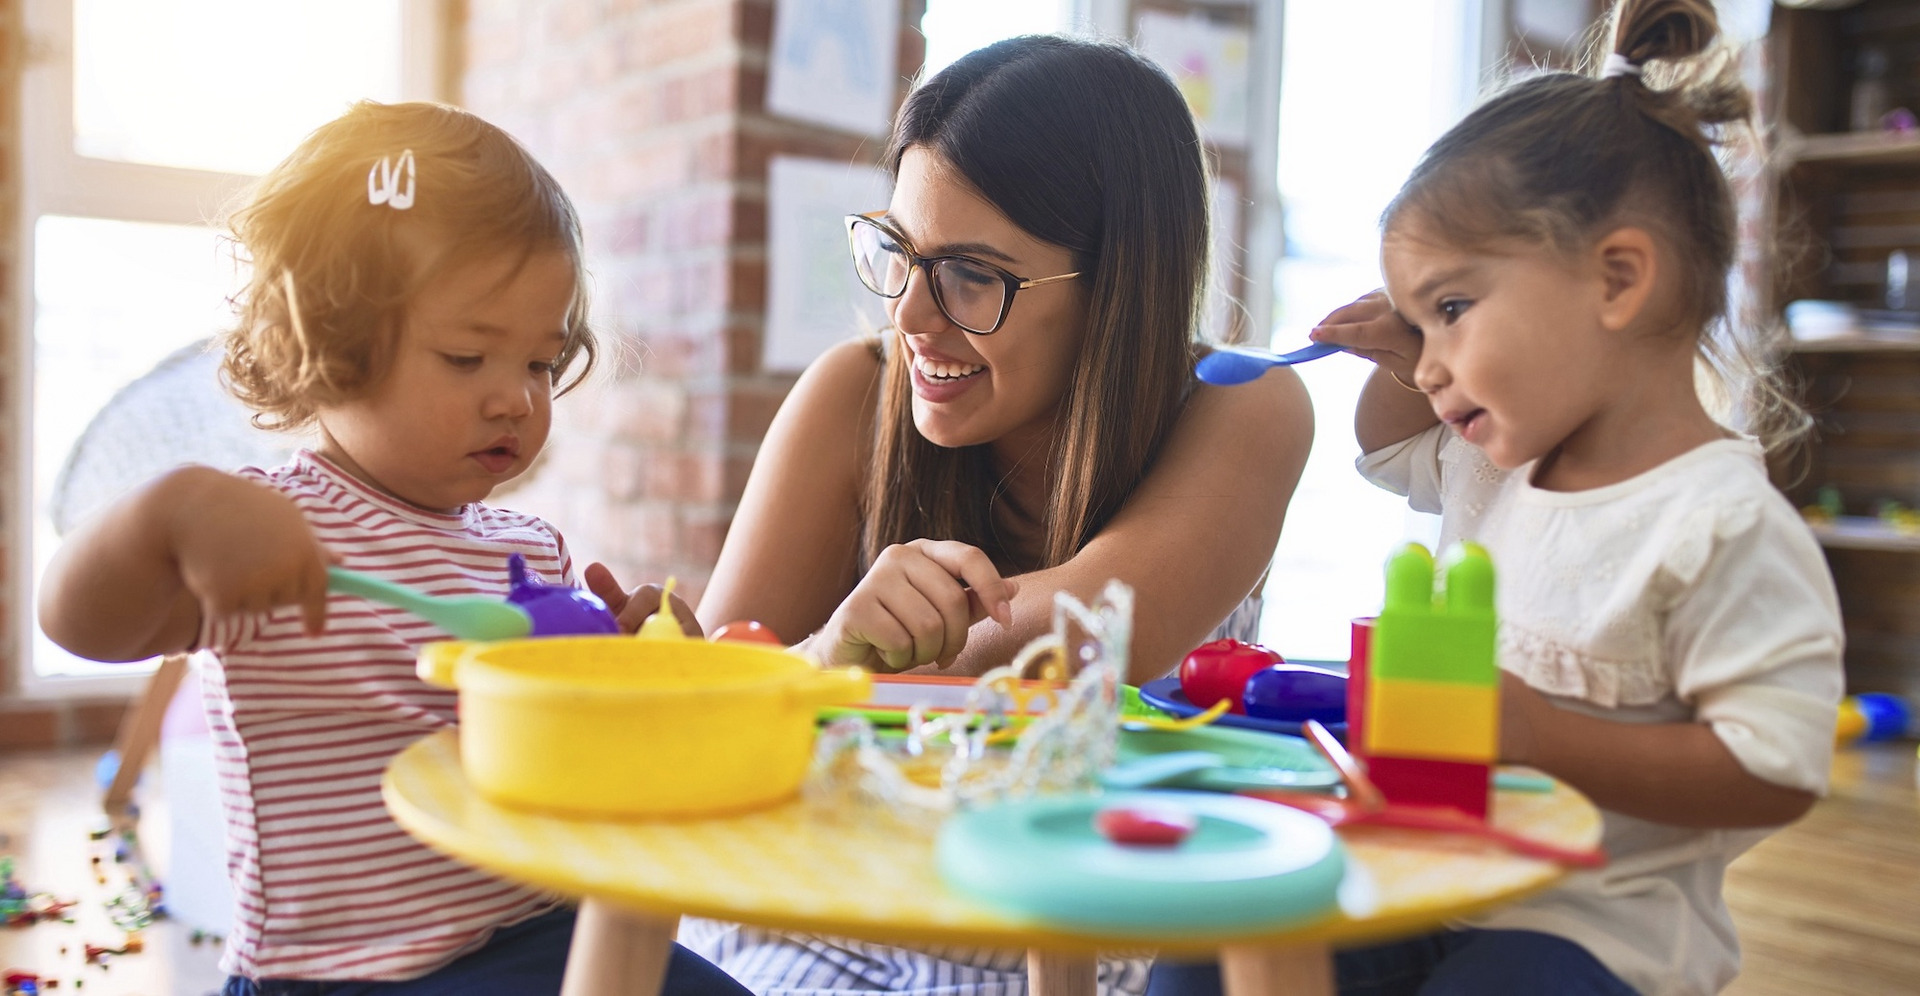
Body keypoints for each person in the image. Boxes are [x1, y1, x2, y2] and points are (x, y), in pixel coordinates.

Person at [1150, 2, 1844, 994]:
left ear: (1616, 280)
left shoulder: (1719, 525)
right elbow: (1386, 448)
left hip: (1593, 929)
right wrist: (1404, 354)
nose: (1431, 367)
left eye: (1453, 310)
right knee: (1205, 964)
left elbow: (1776, 770)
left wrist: (1539, 735)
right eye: (1416, 326)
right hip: (1421, 878)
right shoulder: (1496, 461)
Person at [37, 100, 741, 996]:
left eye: (538, 363)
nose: (516, 401)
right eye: (465, 358)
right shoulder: (269, 532)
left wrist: (646, 671)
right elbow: (78, 622)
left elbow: (580, 763)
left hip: (537, 934)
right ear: (329, 339)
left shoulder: (532, 554)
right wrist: (167, 518)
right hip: (345, 975)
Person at [684, 34, 1312, 996]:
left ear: (1117, 287)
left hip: (1072, 944)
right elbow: (712, 714)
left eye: (972, 274)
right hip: (812, 911)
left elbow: (1082, 635)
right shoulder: (853, 394)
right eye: (898, 252)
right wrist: (825, 653)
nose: (913, 317)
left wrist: (842, 671)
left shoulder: (1242, 404)